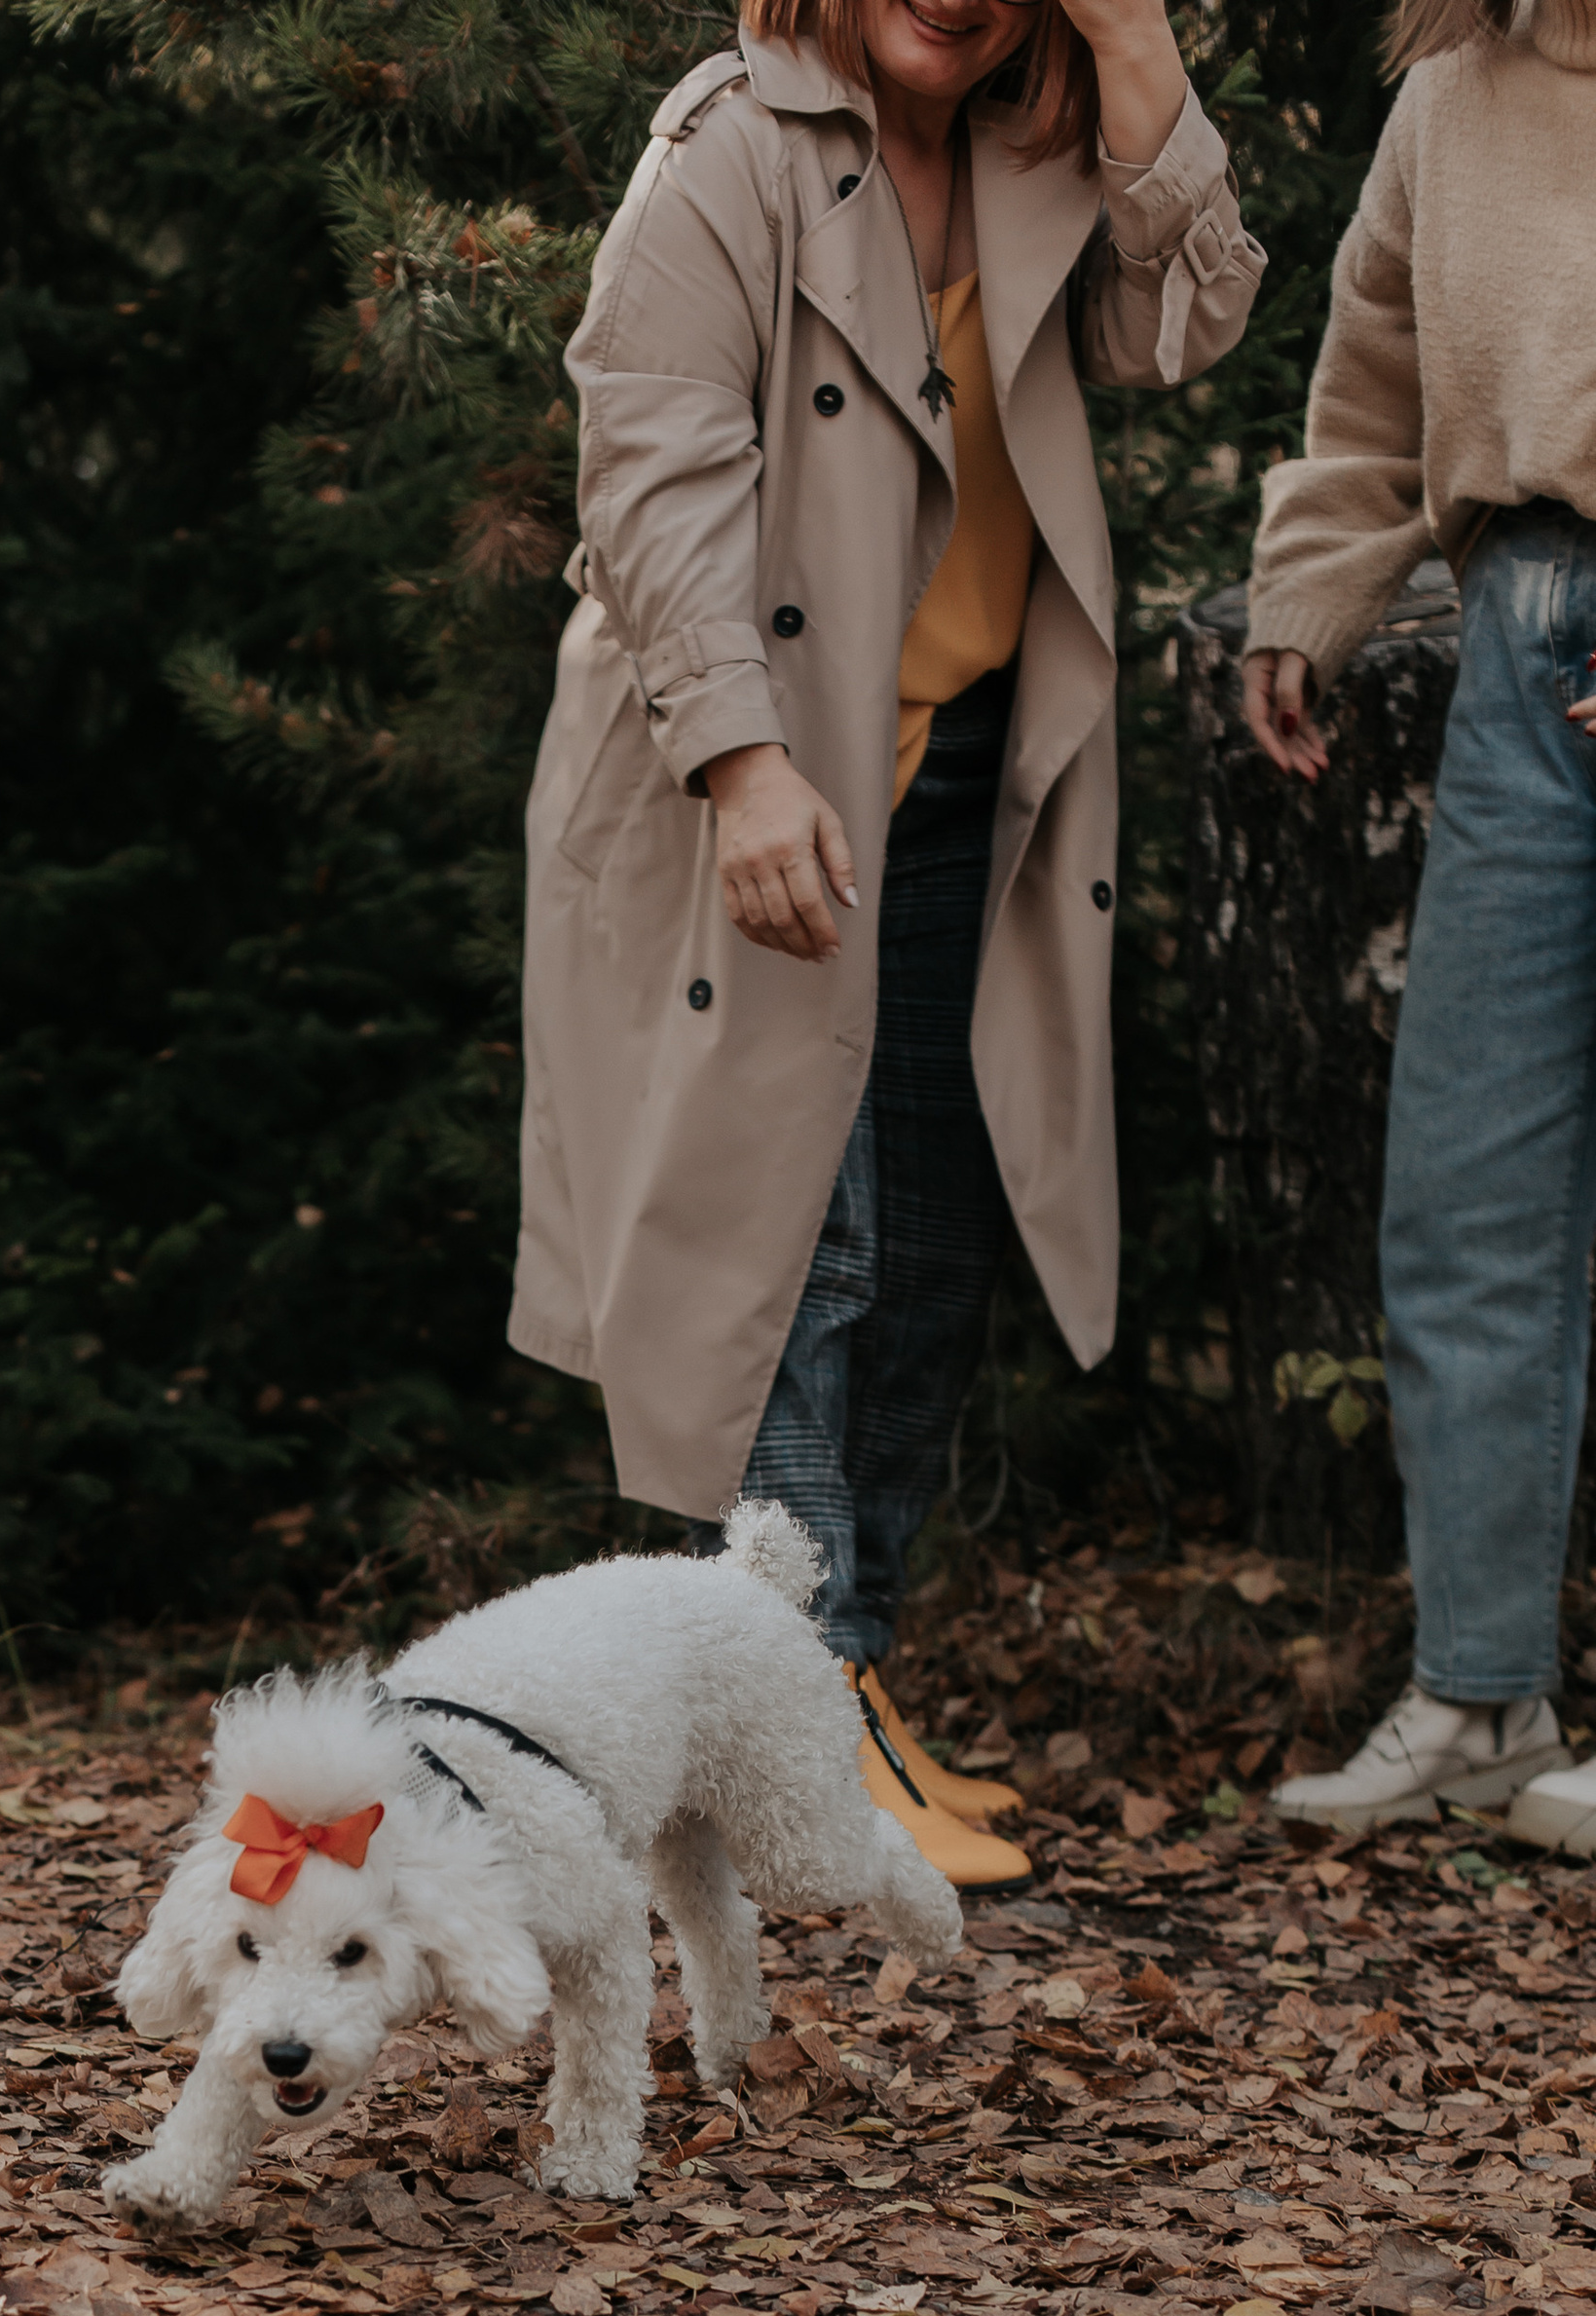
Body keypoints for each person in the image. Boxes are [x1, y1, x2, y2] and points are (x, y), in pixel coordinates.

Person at [512, 0, 1261, 1888]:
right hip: (753, 784)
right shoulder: (727, 151)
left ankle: (843, 1691)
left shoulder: (1030, 155)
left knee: (927, 1233)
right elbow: (649, 466)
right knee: (795, 1253)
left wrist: (1135, 41)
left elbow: (1193, 314)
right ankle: (799, 1716)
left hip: (953, 784)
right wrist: (742, 763)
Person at [1252, 0, 1596, 1846]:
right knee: (1469, 1195)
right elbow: (1371, 374)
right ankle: (1483, 1695)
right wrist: (1305, 607)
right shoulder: (1451, 97)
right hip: (1520, 652)